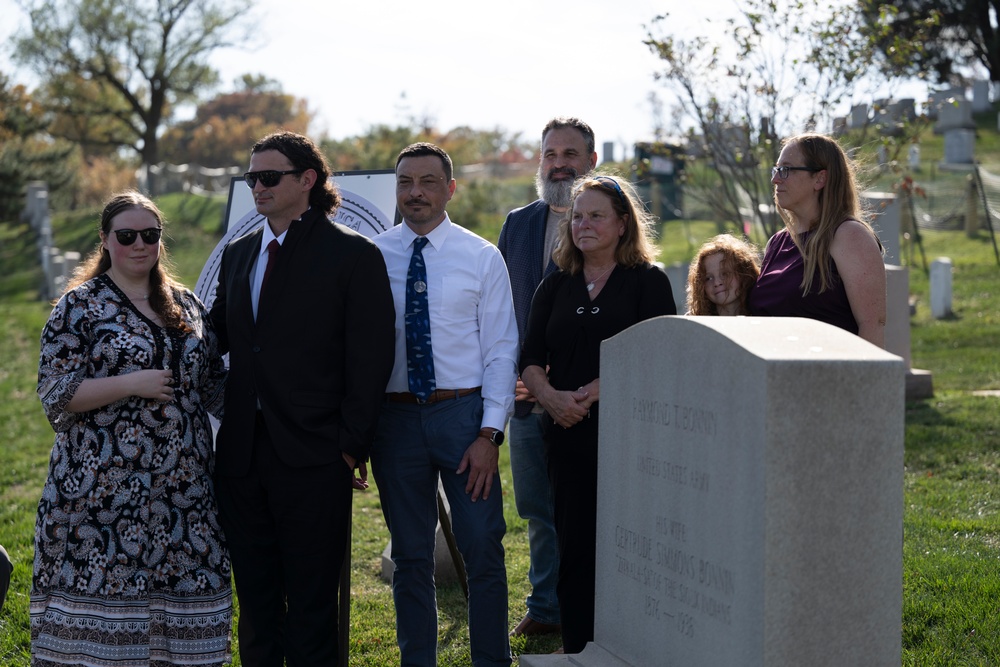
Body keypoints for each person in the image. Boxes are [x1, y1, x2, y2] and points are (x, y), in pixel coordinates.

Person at [209, 131, 395, 666]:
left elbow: (371, 358)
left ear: (307, 180)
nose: (257, 188)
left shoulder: (353, 255)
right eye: (251, 179)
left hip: (316, 455)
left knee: (313, 606)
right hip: (241, 455)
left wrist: (349, 445)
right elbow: (221, 331)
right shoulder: (240, 253)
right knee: (258, 600)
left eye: (269, 178)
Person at [32, 191, 231, 664]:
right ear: (105, 240)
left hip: (186, 493)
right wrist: (130, 383)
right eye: (127, 235)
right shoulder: (78, 307)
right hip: (100, 493)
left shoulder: (186, 305)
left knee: (187, 617)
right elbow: (56, 392)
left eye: (150, 234)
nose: (140, 244)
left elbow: (215, 386)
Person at [371, 143, 519, 667]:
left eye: (428, 182)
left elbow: (502, 350)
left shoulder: (481, 257)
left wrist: (489, 435)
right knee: (410, 556)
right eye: (406, 182)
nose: (416, 192)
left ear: (450, 188)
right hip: (393, 420)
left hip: (462, 418)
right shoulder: (373, 255)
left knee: (482, 545)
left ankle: (490, 661)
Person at [519, 174, 677, 654]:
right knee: (574, 546)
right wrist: (551, 398)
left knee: (627, 547)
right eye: (578, 216)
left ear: (624, 224)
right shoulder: (556, 283)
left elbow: (659, 357)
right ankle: (578, 650)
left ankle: (631, 646)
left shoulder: (647, 282)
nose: (584, 225)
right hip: (565, 435)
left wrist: (589, 393)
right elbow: (529, 357)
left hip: (629, 435)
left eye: (597, 216)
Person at [497, 117, 597, 639]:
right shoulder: (518, 224)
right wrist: (516, 373)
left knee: (584, 508)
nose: (559, 163)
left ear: (591, 161)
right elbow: (500, 305)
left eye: (570, 154)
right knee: (537, 508)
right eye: (550, 154)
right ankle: (547, 606)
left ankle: (591, 605)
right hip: (524, 394)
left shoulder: (608, 219)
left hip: (585, 397)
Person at [748, 133, 886, 346]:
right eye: (776, 170)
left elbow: (872, 326)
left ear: (819, 179)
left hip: (830, 375)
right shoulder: (776, 243)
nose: (775, 179)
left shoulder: (850, 236)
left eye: (786, 170)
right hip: (776, 376)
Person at [686, 234, 760, 315]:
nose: (717, 283)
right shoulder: (693, 322)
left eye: (725, 274)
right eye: (708, 278)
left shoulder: (764, 316)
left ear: (744, 273)